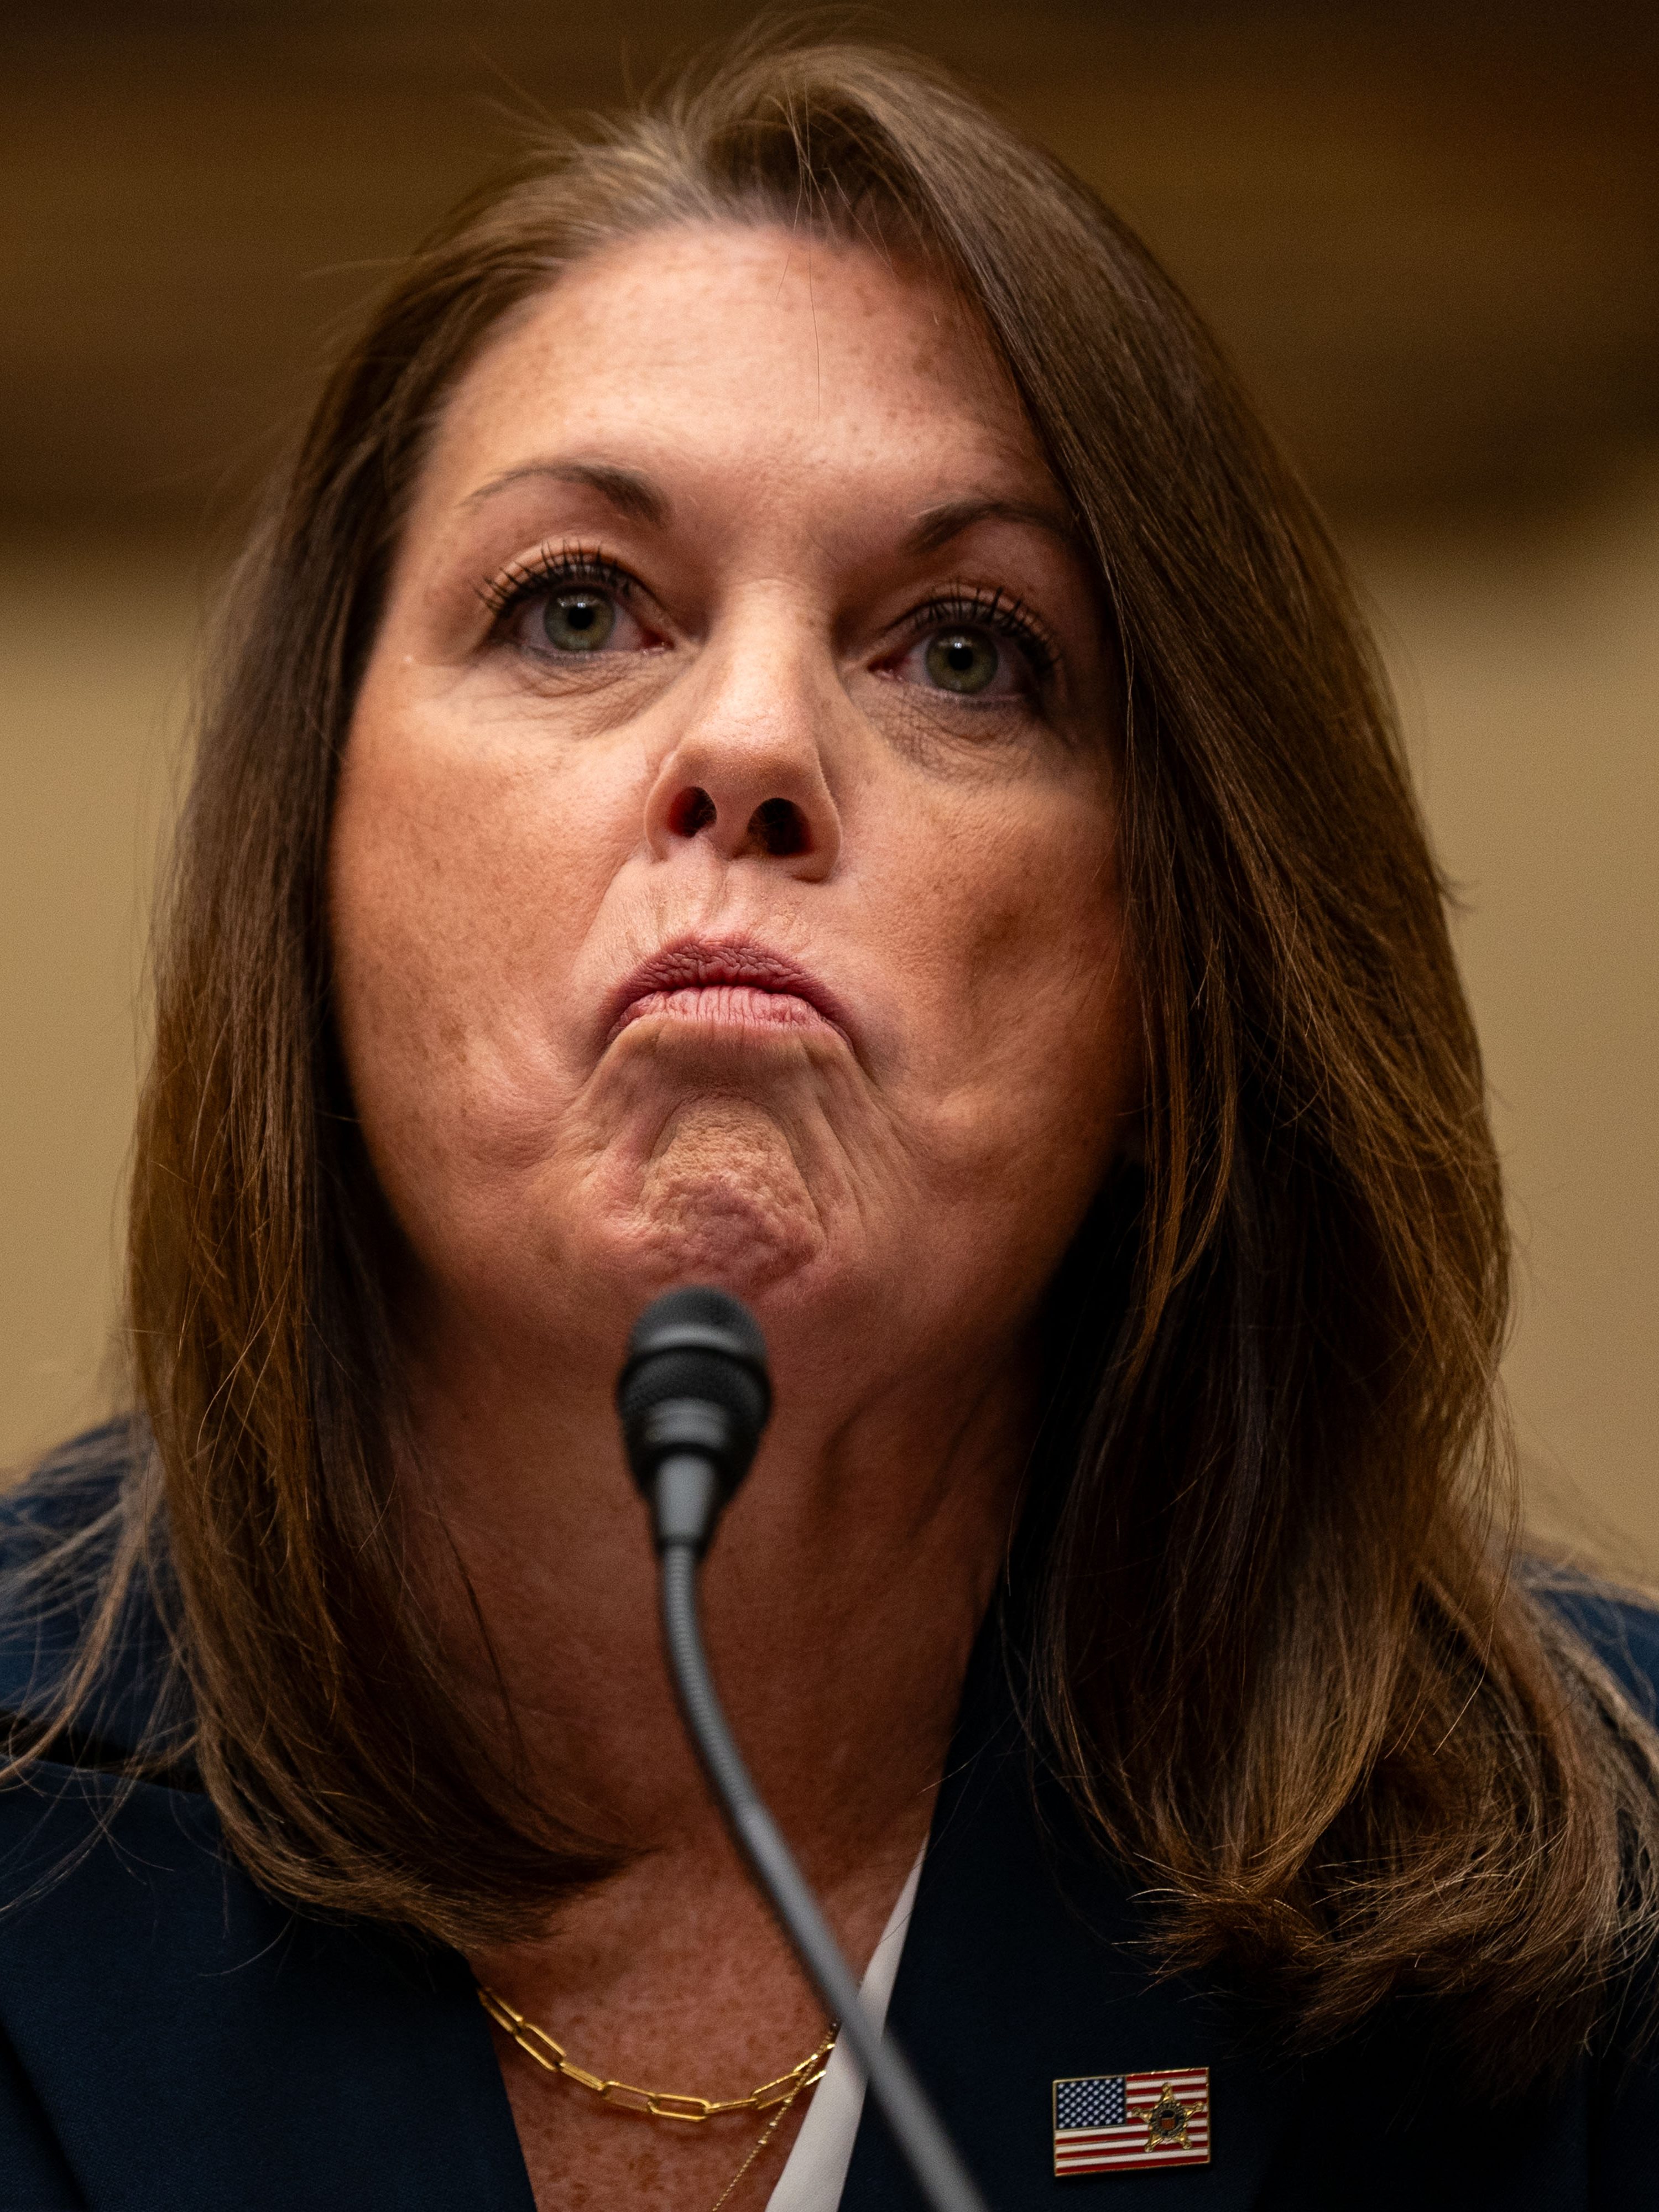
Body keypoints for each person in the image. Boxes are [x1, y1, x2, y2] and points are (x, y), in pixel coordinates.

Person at [1, 35, 1655, 2212]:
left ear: (1175, 975)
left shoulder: (1601, 1913)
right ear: (306, 883)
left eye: (964, 651)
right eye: (575, 608)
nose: (755, 738)